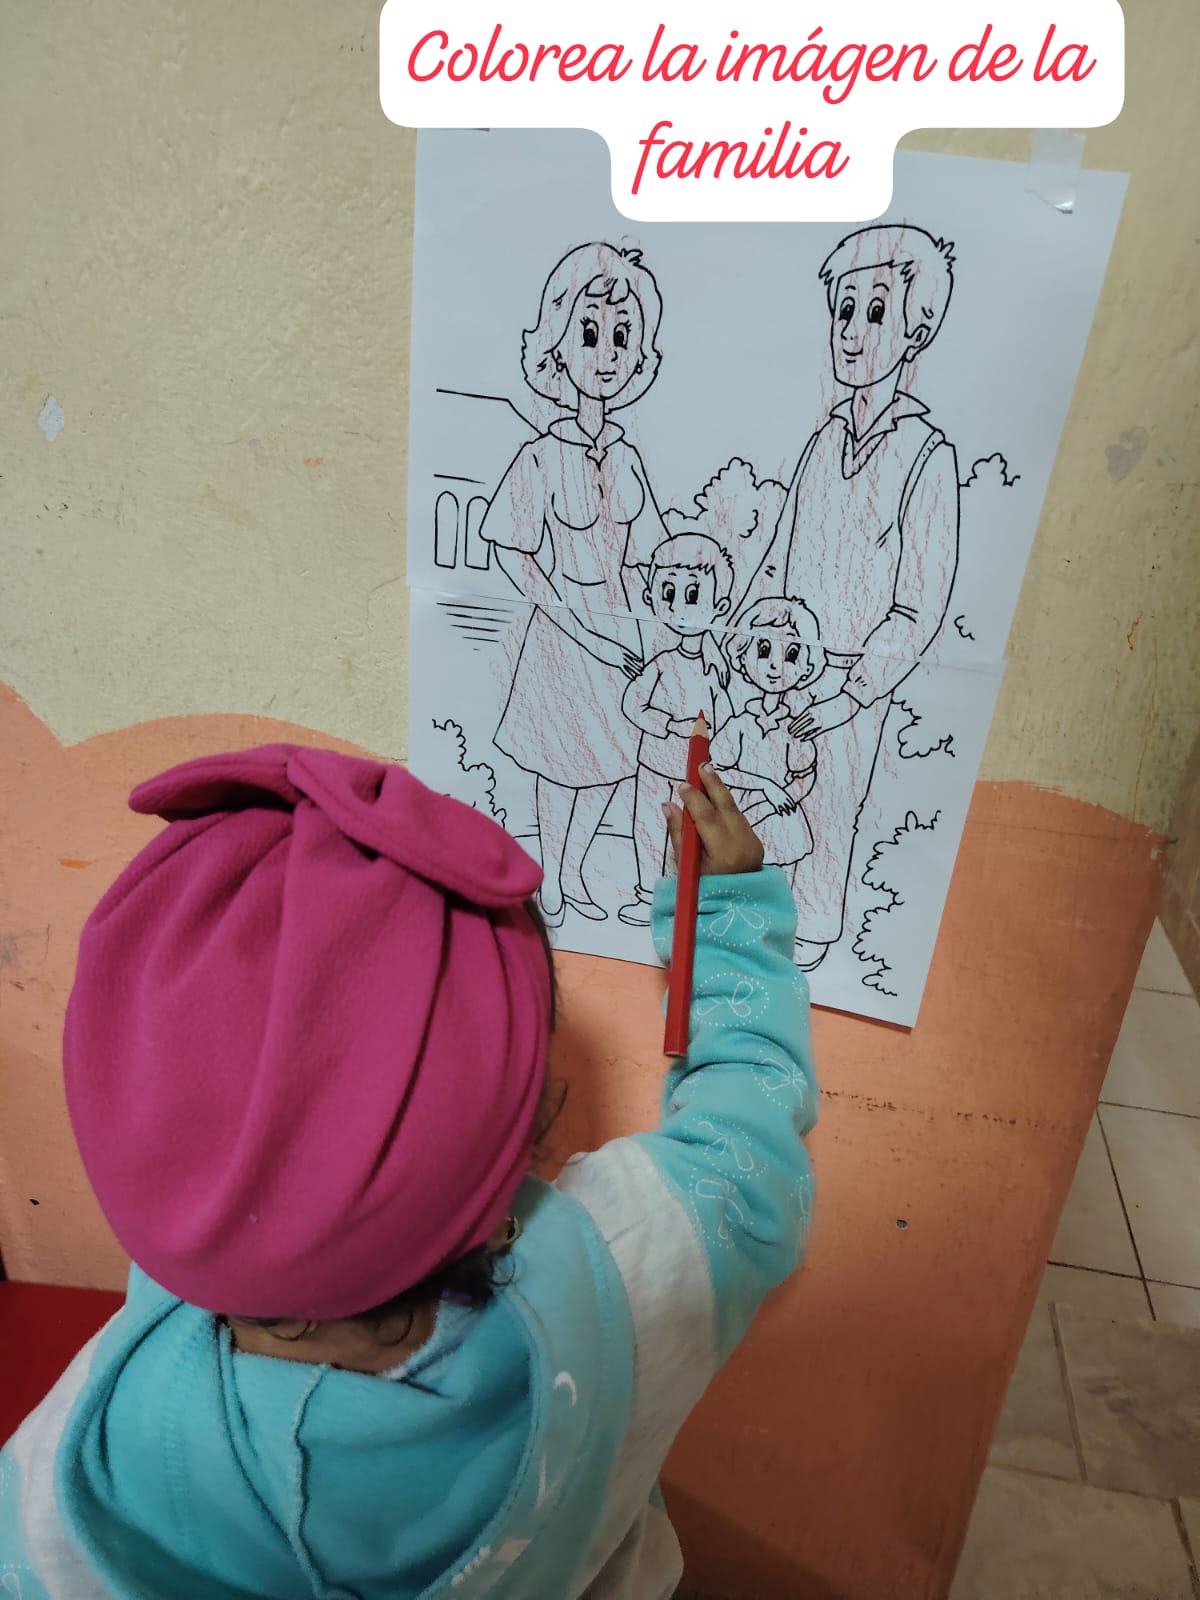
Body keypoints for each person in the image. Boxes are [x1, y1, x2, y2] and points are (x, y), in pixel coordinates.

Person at [0, 743, 817, 1599]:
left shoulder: (85, 1470)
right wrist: (724, 917)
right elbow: (746, 1135)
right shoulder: (633, 1268)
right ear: (527, 1116)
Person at [746, 224, 961, 970]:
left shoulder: (927, 456)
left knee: (829, 806)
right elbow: (776, 560)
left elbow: (918, 606)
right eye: (843, 310)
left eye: (875, 312)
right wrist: (743, 644)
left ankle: (812, 931)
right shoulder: (821, 441)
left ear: (916, 331)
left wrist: (852, 692)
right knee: (765, 791)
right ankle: (757, 915)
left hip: (851, 682)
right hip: (779, 662)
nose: (852, 331)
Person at [484, 242, 671, 928]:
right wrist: (566, 615)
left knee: (614, 761)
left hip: (622, 637)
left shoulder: (628, 457)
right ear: (557, 347)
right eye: (589, 333)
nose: (606, 354)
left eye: (622, 336)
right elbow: (511, 549)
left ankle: (574, 872)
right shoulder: (539, 455)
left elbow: (650, 552)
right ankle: (553, 879)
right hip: (563, 637)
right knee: (560, 763)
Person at [619, 533, 736, 926]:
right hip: (654, 765)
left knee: (689, 839)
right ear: (650, 596)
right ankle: (643, 894)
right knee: (646, 828)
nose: (678, 607)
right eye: (667, 592)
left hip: (696, 780)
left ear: (719, 607)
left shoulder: (715, 670)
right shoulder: (662, 662)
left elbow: (726, 716)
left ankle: (675, 902)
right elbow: (633, 705)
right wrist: (670, 724)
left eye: (693, 595)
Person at [713, 597, 830, 913]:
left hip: (781, 818)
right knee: (737, 886)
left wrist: (780, 797)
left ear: (807, 667)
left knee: (778, 890)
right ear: (742, 656)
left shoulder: (795, 729)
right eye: (763, 650)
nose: (775, 666)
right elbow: (718, 768)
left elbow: (805, 774)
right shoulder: (740, 723)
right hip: (740, 813)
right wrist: (765, 786)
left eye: (791, 655)